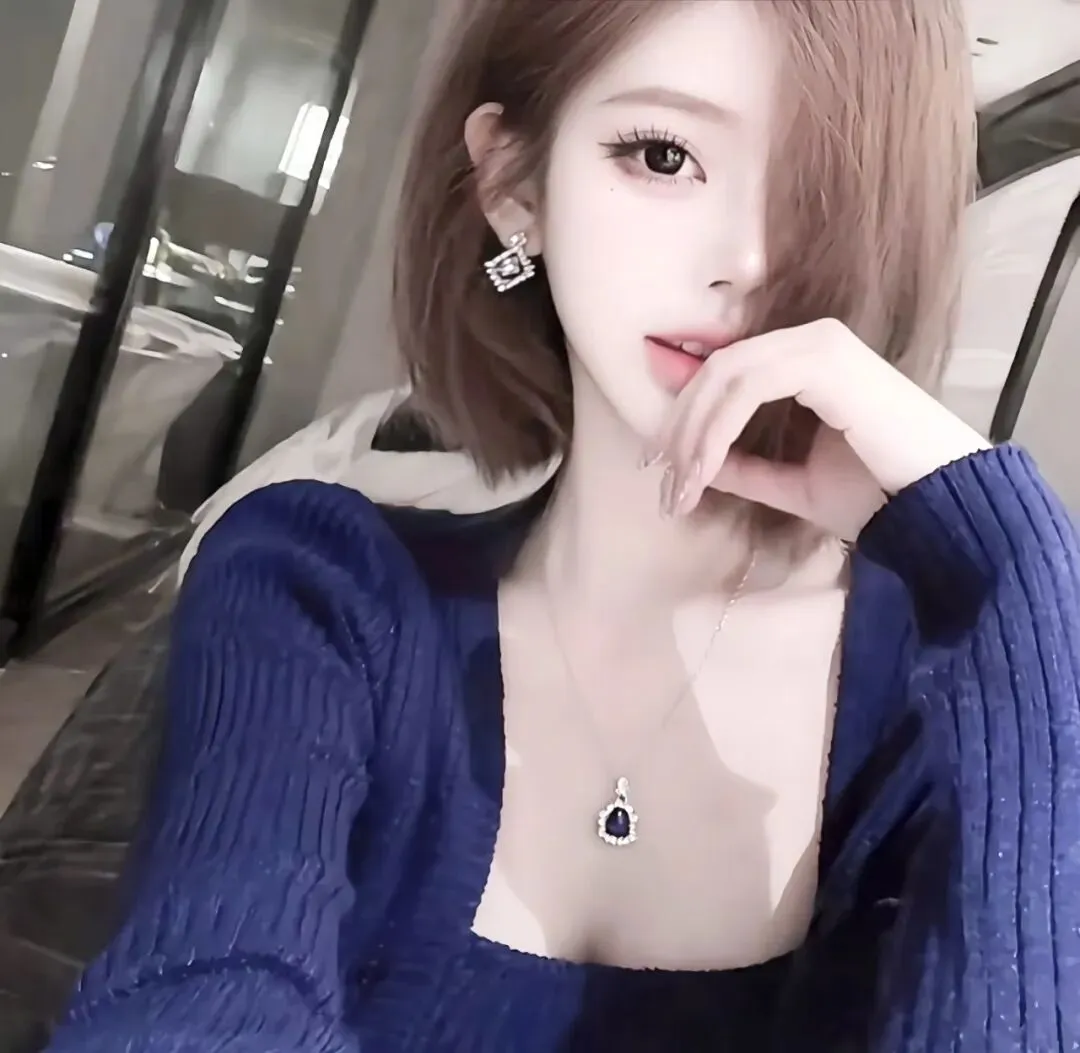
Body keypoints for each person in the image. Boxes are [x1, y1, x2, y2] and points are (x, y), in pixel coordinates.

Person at [48, 1, 1080, 1050]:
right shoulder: (316, 589)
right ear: (515, 188)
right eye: (665, 155)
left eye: (825, 190)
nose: (751, 257)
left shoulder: (950, 706)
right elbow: (202, 992)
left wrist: (1014, 568)